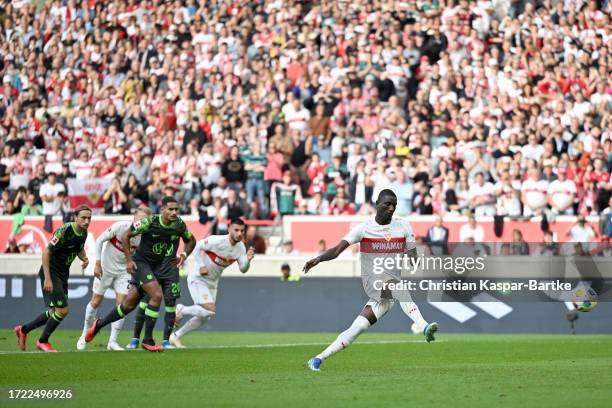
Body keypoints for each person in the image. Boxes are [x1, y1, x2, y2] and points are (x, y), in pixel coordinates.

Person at [302, 189, 438, 372]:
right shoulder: (363, 229)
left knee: (355, 329)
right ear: (377, 204)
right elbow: (336, 250)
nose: (391, 208)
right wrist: (318, 259)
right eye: (387, 204)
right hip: (373, 283)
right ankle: (423, 326)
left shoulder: (404, 227)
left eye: (394, 205)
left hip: (388, 294)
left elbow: (413, 258)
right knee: (397, 286)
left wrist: (413, 256)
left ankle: (318, 359)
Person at [85, 197, 196, 352]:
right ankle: (148, 340)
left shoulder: (179, 224)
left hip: (155, 268)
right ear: (162, 209)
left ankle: (99, 324)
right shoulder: (148, 222)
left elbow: (191, 240)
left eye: (176, 209)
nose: (174, 212)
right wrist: (129, 260)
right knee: (156, 295)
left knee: (127, 306)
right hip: (141, 264)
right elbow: (126, 236)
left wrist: (183, 255)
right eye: (170, 209)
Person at [14, 205, 92, 352]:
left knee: (54, 312)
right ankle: (43, 341)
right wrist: (47, 279)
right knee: (63, 310)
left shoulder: (83, 233)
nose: (87, 221)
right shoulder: (64, 230)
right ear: (75, 217)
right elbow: (46, 252)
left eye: (89, 218)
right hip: (51, 272)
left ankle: (24, 330)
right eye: (83, 218)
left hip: (63, 274)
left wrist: (84, 258)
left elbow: (79, 248)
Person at [76, 207, 152, 351]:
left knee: (121, 305)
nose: (141, 222)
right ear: (134, 218)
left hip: (124, 272)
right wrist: (97, 263)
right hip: (105, 268)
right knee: (96, 301)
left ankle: (112, 342)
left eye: (144, 220)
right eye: (139, 219)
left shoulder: (144, 236)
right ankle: (84, 335)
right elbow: (99, 241)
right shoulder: (120, 227)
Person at [170, 218, 254, 348]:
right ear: (229, 229)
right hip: (198, 278)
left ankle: (176, 336)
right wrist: (201, 265)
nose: (239, 233)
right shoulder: (217, 241)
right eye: (236, 230)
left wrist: (248, 260)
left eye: (242, 231)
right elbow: (197, 246)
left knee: (205, 317)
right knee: (209, 310)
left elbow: (243, 269)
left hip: (213, 283)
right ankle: (181, 309)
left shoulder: (241, 248)